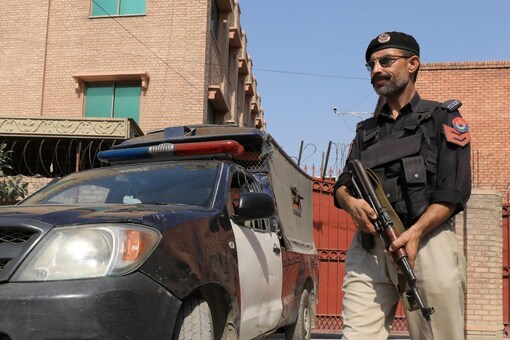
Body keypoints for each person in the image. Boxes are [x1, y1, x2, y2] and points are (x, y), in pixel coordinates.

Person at [333, 31, 471, 340]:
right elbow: (343, 182)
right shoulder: (366, 130)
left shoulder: (442, 118)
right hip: (370, 250)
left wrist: (415, 233)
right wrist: (350, 203)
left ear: (413, 64)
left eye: (385, 61)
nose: (376, 70)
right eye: (371, 65)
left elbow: (454, 191)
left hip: (426, 243)